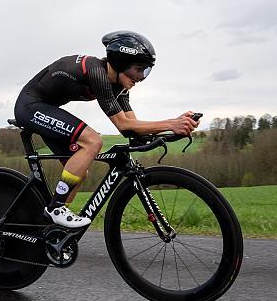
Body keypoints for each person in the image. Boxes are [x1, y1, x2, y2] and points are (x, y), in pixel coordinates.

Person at [13, 30, 199, 228]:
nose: (141, 77)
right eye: (139, 69)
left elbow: (132, 128)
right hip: (30, 107)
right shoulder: (97, 72)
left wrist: (172, 131)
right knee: (92, 141)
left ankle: (52, 227)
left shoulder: (120, 86)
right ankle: (56, 208)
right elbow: (123, 124)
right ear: (120, 62)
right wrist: (171, 123)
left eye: (146, 71)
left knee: (79, 170)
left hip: (46, 107)